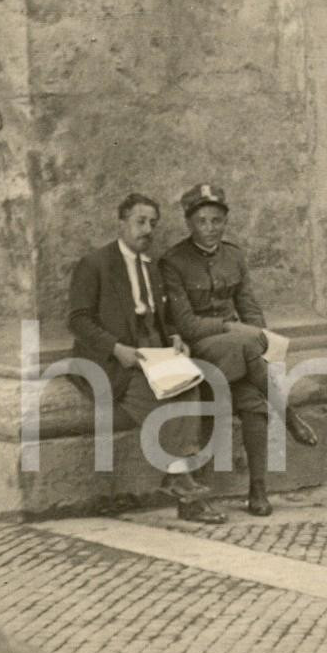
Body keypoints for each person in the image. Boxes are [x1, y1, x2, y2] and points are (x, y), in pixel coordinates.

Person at [67, 192, 227, 524]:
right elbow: (79, 320)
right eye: (140, 222)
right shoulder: (96, 264)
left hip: (152, 353)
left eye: (152, 223)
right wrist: (116, 348)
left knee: (191, 386)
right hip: (110, 361)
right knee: (158, 397)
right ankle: (184, 486)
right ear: (121, 222)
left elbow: (163, 318)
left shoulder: (153, 268)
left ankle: (180, 480)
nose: (147, 230)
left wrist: (176, 338)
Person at [160, 183, 318, 517]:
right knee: (246, 346)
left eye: (216, 220)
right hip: (202, 346)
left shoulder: (234, 256)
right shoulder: (174, 262)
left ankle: (258, 490)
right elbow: (186, 324)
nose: (209, 228)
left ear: (225, 221)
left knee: (251, 400)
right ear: (189, 223)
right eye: (201, 221)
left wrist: (257, 335)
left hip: (238, 349)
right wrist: (237, 330)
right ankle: (290, 416)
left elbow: (250, 307)